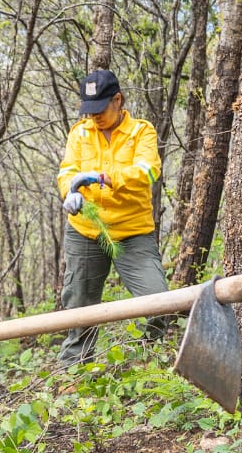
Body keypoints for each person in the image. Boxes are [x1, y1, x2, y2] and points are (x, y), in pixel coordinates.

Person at [56, 69, 170, 367]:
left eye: (100, 110)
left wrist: (107, 177)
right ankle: (74, 370)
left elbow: (148, 171)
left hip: (132, 233)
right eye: (89, 111)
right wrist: (70, 192)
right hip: (86, 231)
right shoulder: (80, 133)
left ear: (117, 100)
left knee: (158, 302)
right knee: (79, 303)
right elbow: (67, 171)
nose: (94, 117)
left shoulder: (141, 132)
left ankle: (145, 359)